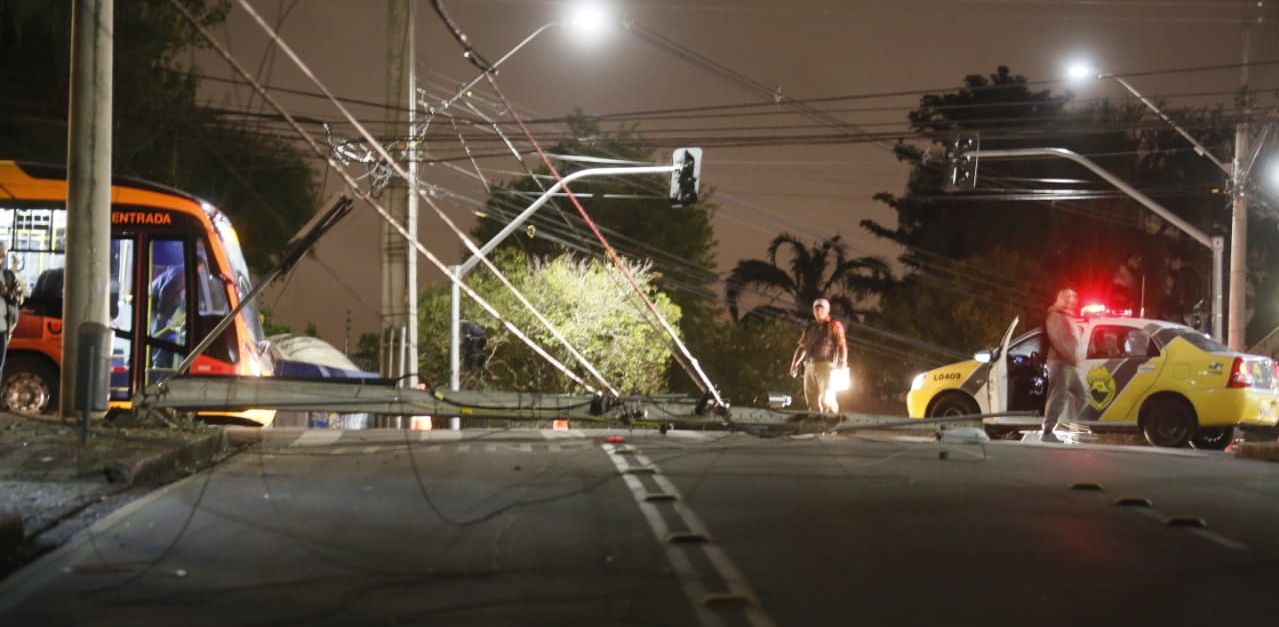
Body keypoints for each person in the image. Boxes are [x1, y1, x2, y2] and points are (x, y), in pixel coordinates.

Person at [788, 298, 847, 414]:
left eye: (821, 309)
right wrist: (794, 364)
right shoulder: (810, 326)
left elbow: (841, 345)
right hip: (809, 365)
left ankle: (831, 422)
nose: (818, 312)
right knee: (811, 400)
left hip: (826, 365)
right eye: (816, 309)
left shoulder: (834, 325)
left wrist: (843, 362)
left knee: (827, 398)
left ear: (827, 310)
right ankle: (814, 421)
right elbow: (802, 347)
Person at [1042, 288, 1085, 443]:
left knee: (1080, 396)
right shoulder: (1055, 315)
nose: (1070, 299)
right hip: (1061, 362)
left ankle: (1071, 429)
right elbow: (1058, 340)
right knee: (1057, 397)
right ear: (1058, 298)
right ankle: (1047, 432)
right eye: (1066, 296)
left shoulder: (1068, 316)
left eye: (1072, 297)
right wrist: (1070, 356)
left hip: (1070, 364)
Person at [0, 242, 27, 380]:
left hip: (2, 328)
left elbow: (20, 298)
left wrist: (5, 291)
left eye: (2, 253)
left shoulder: (8, 276)